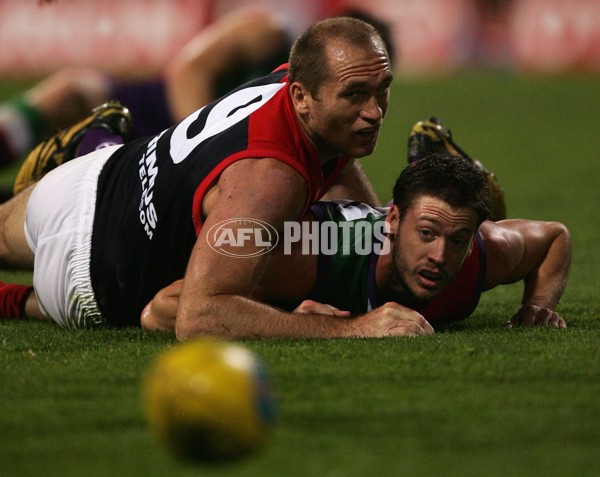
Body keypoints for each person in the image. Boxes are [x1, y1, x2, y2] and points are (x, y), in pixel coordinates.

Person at [0, 16, 395, 339]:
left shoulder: (295, 85)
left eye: (383, 90)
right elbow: (200, 316)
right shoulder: (268, 179)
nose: (375, 111)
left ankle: (98, 144)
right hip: (89, 271)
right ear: (302, 97)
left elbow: (340, 167)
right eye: (355, 94)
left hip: (90, 179)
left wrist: (376, 223)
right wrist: (352, 328)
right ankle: (20, 298)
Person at [2, 153, 570, 337]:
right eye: (426, 234)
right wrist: (336, 329)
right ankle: (91, 143)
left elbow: (553, 240)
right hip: (148, 241)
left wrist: (536, 307)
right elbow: (163, 310)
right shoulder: (310, 256)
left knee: (41, 304)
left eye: (457, 239)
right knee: (78, 304)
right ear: (394, 222)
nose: (442, 258)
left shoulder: (478, 257)